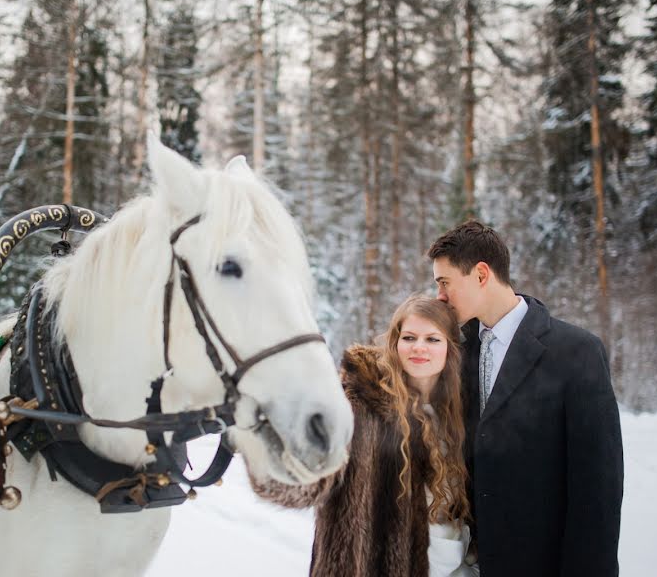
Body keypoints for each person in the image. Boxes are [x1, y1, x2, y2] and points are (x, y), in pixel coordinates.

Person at [427, 220, 623, 577]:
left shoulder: (576, 352)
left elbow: (598, 492)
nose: (439, 295)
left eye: (445, 283)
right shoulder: (455, 351)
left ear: (482, 274)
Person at [252, 294, 475, 577]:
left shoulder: (462, 414)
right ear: (394, 343)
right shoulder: (358, 406)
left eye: (433, 339)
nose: (419, 347)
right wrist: (266, 434)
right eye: (409, 338)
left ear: (450, 348)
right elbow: (306, 484)